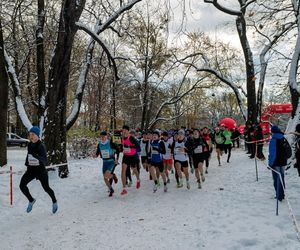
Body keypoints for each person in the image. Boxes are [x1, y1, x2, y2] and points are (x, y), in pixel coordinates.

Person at [19, 126, 58, 213]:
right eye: (30, 134)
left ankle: (54, 201)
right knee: (22, 185)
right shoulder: (29, 144)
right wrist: (27, 163)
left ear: (37, 136)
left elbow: (45, 160)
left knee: (46, 188)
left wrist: (36, 156)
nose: (31, 136)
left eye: (33, 134)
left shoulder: (41, 146)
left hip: (40, 171)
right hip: (31, 171)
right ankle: (31, 200)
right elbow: (28, 155)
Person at [95, 131, 120, 197]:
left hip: (111, 161)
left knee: (106, 175)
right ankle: (111, 189)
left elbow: (118, 150)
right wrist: (95, 155)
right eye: (101, 137)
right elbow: (97, 153)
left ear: (107, 136)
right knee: (105, 178)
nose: (102, 138)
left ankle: (112, 176)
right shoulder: (99, 144)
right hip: (105, 162)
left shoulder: (110, 143)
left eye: (104, 136)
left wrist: (117, 159)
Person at [120, 125, 141, 195]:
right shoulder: (121, 138)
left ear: (128, 131)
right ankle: (124, 189)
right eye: (123, 130)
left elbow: (138, 146)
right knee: (123, 170)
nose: (124, 131)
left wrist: (129, 146)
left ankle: (138, 180)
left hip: (132, 156)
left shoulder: (131, 138)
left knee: (134, 169)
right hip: (125, 156)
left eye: (126, 130)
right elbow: (121, 146)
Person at [268, 125, 286, 201]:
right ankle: (282, 194)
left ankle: (279, 195)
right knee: (282, 178)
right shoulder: (283, 137)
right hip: (283, 161)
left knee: (277, 179)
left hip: (276, 162)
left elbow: (272, 153)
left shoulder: (273, 140)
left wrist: (270, 163)